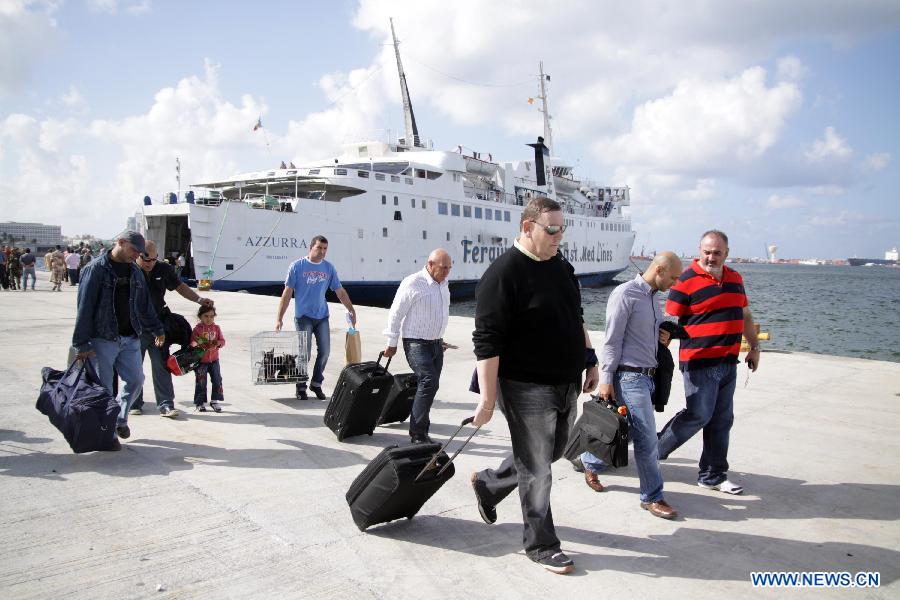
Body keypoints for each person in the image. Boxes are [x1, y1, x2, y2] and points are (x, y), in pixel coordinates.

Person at [468, 197, 599, 575]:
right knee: (539, 468)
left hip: (566, 381)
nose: (559, 236)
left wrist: (589, 361)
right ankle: (541, 544)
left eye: (562, 229)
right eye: (552, 229)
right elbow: (487, 343)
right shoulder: (502, 274)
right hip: (525, 386)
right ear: (528, 227)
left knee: (551, 452)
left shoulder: (560, 265)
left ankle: (491, 486)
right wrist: (488, 400)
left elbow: (575, 317)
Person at [579, 252, 683, 520]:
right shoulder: (625, 294)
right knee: (648, 439)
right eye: (673, 277)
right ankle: (652, 496)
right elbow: (612, 340)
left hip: (649, 377)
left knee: (634, 433)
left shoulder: (653, 297)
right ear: (659, 270)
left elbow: (649, 334)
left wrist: (666, 333)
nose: (674, 283)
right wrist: (606, 380)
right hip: (629, 377)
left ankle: (590, 461)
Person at [657, 230, 760, 495]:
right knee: (699, 415)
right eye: (706, 252)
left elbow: (746, 316)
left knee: (722, 420)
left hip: (728, 362)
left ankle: (713, 475)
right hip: (699, 362)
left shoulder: (735, 279)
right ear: (699, 251)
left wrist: (755, 347)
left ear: (726, 253)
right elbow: (666, 322)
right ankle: (653, 452)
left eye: (716, 252)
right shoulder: (685, 281)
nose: (711, 257)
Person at [72, 230, 165, 446]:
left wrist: (157, 329)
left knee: (136, 380)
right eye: (134, 250)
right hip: (103, 339)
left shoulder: (135, 272)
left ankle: (120, 418)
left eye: (140, 253)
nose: (137, 255)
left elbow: (144, 305)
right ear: (121, 243)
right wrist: (81, 343)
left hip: (130, 337)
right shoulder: (95, 270)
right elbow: (84, 308)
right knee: (104, 389)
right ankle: (109, 435)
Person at [130, 240, 214, 418]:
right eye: (146, 259)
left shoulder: (163, 269)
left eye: (154, 259)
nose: (150, 263)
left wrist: (199, 300)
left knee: (161, 365)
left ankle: (166, 404)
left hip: (158, 326)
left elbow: (180, 287)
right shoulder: (129, 269)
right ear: (137, 255)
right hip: (135, 327)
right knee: (134, 367)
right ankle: (134, 402)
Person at [382, 249, 453, 443]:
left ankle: (421, 427)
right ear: (430, 265)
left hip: (437, 344)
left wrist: (439, 338)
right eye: (443, 268)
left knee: (431, 385)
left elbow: (439, 314)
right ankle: (418, 434)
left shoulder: (444, 284)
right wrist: (392, 342)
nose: (447, 272)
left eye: (449, 268)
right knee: (428, 381)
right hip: (416, 342)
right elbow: (396, 313)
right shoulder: (413, 282)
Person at [275, 235, 356, 400]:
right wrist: (279, 317)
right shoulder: (297, 266)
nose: (322, 252)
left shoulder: (329, 268)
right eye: (319, 248)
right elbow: (287, 293)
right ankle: (301, 387)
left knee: (325, 352)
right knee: (304, 353)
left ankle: (316, 383)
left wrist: (351, 310)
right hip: (303, 316)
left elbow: (339, 291)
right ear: (311, 247)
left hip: (322, 316)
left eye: (325, 249)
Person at [192, 304, 225, 412]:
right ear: (200, 317)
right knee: (201, 382)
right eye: (206, 316)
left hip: (214, 360)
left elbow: (222, 341)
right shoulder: (197, 329)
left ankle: (215, 400)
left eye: (211, 316)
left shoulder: (216, 328)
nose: (209, 319)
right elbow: (192, 342)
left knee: (217, 380)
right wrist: (199, 344)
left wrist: (218, 343)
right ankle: (200, 402)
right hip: (201, 361)